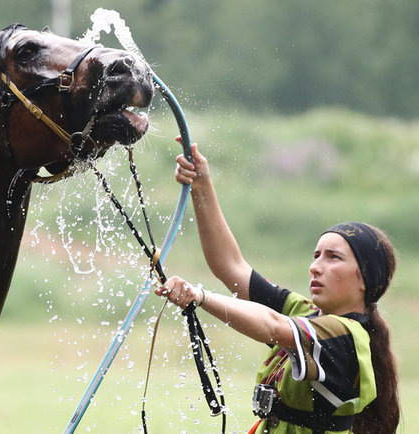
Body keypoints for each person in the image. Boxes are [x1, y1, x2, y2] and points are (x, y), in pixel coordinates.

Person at [155, 139, 400, 433]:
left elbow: (272, 325)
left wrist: (200, 296)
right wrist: (202, 186)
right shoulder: (306, 313)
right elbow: (230, 266)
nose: (315, 266)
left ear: (365, 278)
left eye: (333, 257)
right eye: (316, 255)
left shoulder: (344, 337)